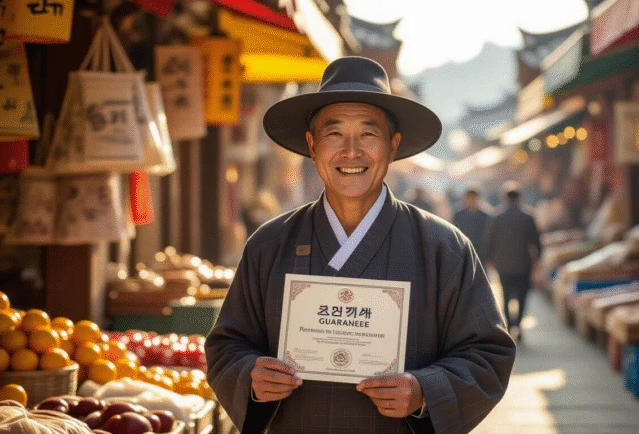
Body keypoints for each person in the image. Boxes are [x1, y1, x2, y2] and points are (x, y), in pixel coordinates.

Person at [206, 57, 516, 434]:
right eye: (334, 133)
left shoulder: (443, 247)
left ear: (392, 146)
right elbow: (227, 346)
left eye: (368, 134)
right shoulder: (270, 244)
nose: (351, 151)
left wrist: (424, 392)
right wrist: (252, 377)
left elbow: (487, 355)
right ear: (312, 145)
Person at [483, 181, 542, 342]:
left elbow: (489, 240)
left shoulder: (497, 217)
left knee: (506, 295)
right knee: (522, 296)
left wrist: (489, 259)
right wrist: (538, 259)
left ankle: (509, 325)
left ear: (505, 198)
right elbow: (536, 241)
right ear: (519, 198)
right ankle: (519, 325)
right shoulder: (527, 216)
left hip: (503, 264)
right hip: (523, 263)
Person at [452, 183, 493, 259]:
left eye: (473, 198)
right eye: (469, 198)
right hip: (464, 251)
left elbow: (490, 236)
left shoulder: (485, 215)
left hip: (481, 252)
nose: (471, 201)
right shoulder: (458, 215)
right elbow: (454, 234)